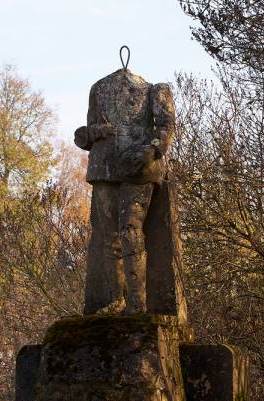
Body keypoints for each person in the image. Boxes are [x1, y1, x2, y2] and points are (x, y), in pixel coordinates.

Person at [74, 66, 176, 314]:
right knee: (108, 238)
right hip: (105, 167)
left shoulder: (154, 90)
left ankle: (137, 303)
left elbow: (166, 126)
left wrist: (151, 148)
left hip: (138, 168)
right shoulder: (99, 88)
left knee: (131, 232)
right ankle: (115, 300)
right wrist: (95, 132)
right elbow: (87, 133)